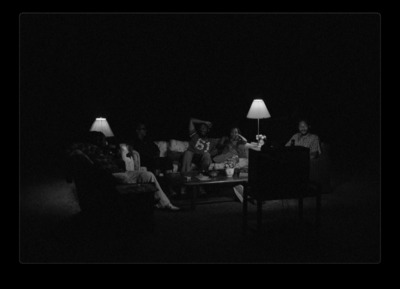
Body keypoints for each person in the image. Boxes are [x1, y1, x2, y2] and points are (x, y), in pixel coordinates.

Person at [77, 131, 180, 211]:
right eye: (104, 140)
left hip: (120, 171)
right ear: (98, 140)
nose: (106, 142)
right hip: (111, 175)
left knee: (149, 175)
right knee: (127, 177)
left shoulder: (103, 150)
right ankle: (155, 203)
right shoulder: (90, 148)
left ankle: (164, 203)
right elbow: (73, 148)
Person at [180, 118, 224, 195]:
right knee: (188, 152)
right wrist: (204, 122)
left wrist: (222, 140)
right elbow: (191, 120)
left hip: (202, 159)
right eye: (201, 128)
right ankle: (184, 186)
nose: (203, 129)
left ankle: (199, 185)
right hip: (192, 156)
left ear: (208, 130)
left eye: (205, 128)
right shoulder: (195, 136)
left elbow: (225, 139)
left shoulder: (212, 140)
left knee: (207, 154)